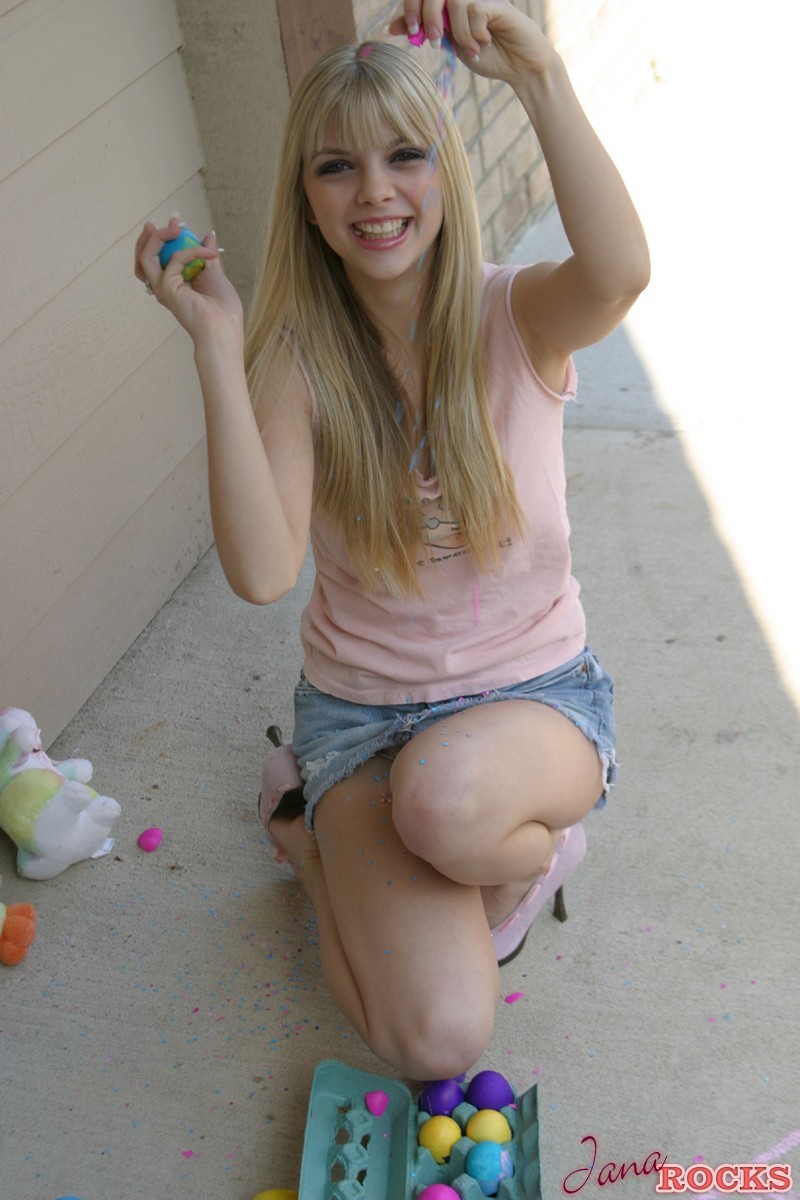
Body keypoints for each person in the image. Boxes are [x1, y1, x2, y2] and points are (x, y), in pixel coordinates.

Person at [134, 0, 649, 1081]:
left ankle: (518, 857)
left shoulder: (516, 316)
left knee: (448, 804)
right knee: (436, 1039)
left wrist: (537, 77)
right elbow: (262, 571)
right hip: (364, 727)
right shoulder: (296, 362)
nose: (373, 190)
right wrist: (219, 345)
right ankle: (310, 848)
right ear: (306, 202)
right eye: (337, 168)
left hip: (532, 702)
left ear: (444, 174)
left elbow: (617, 274)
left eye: (404, 156)